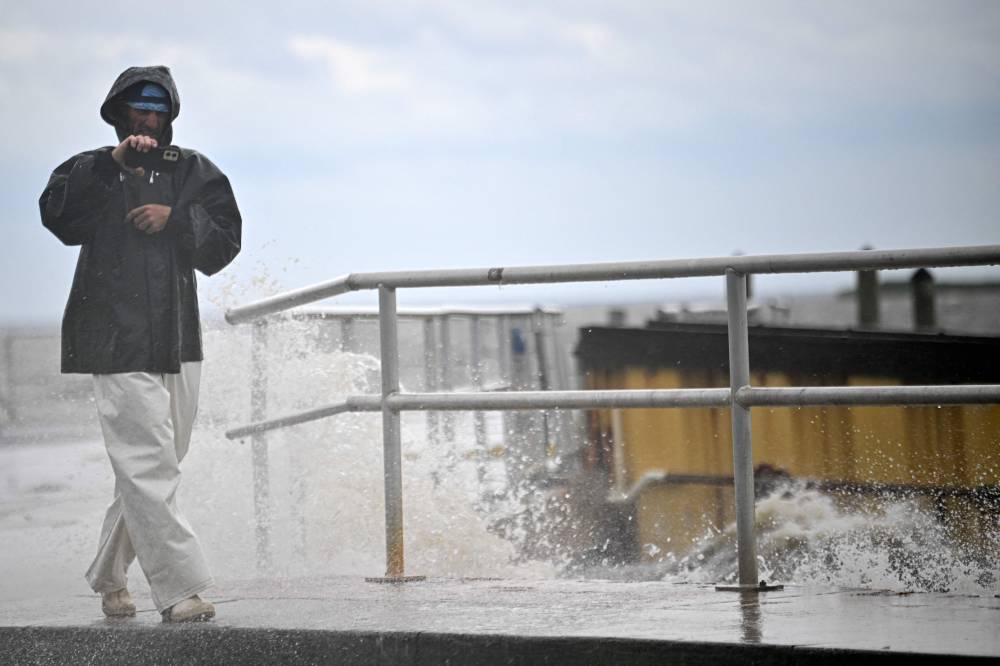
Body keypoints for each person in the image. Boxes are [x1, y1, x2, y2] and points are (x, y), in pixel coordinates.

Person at [39, 66, 242, 623]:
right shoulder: (88, 169)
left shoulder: (195, 171)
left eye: (157, 108)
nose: (148, 118)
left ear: (170, 115)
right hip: (113, 340)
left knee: (155, 464)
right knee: (149, 467)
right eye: (138, 107)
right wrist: (110, 167)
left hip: (179, 341)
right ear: (119, 114)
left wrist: (176, 220)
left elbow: (224, 244)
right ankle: (181, 590)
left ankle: (108, 576)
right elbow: (58, 218)